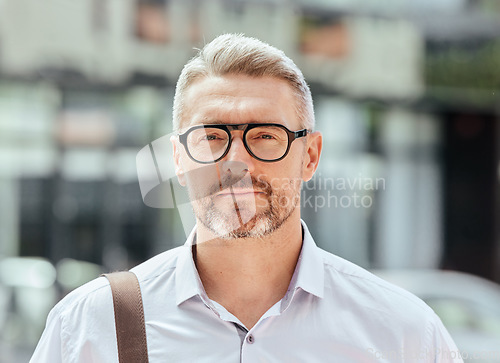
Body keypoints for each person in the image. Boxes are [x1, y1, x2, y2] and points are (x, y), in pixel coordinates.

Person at [31, 33, 463, 362]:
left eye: (265, 136)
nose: (236, 161)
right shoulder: (89, 327)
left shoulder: (403, 334)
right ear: (179, 159)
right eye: (212, 136)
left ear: (310, 156)